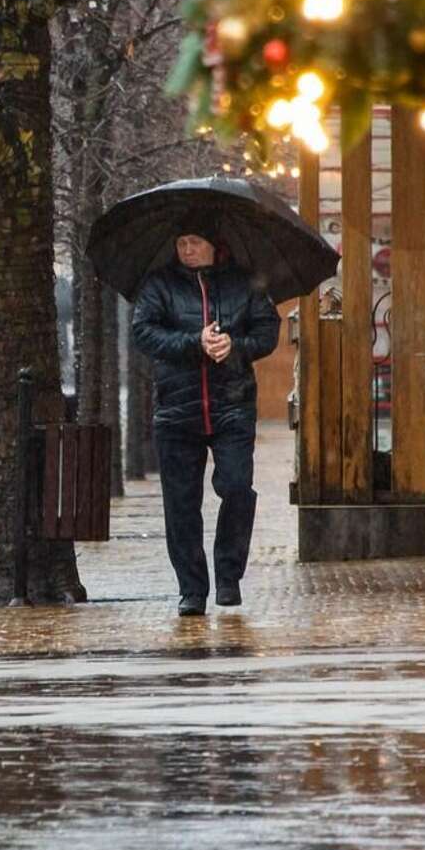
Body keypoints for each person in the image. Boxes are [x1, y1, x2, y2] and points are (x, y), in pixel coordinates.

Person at [130, 224, 280, 617]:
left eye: (195, 241)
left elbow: (267, 331)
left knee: (235, 487)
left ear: (216, 245)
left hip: (232, 405)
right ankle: (191, 589)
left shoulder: (243, 283)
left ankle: (228, 577)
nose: (187, 249)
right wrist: (193, 343)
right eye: (180, 242)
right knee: (181, 503)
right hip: (177, 409)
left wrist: (234, 346)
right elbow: (143, 332)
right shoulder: (159, 285)